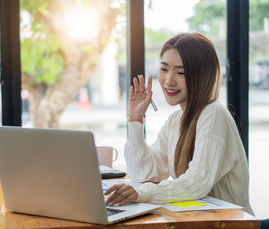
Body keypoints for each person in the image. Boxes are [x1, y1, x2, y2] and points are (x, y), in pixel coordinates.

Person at [104, 32, 254, 215]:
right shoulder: (176, 120)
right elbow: (143, 173)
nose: (168, 80)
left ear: (202, 75)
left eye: (181, 72)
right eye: (164, 69)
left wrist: (142, 193)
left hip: (231, 225)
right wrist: (135, 119)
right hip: (198, 222)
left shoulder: (213, 113)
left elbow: (198, 181)